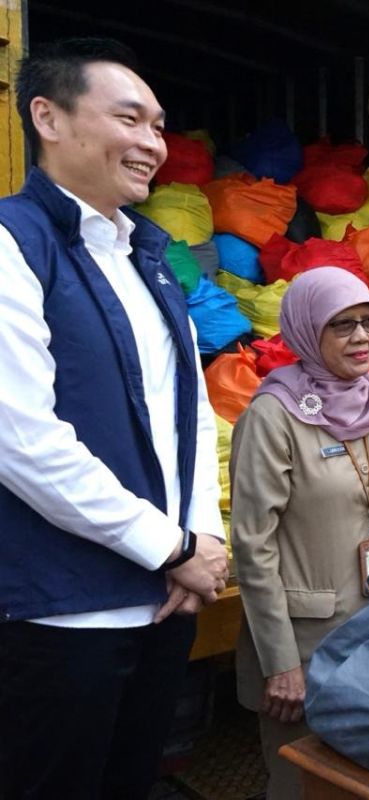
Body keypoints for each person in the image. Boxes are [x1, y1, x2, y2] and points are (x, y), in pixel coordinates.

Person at [0, 38, 228, 798]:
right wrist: (171, 547)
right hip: (63, 617)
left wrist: (204, 541)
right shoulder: (13, 243)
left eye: (159, 126)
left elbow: (188, 415)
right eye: (130, 119)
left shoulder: (149, 257)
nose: (153, 144)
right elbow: (23, 441)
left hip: (164, 604)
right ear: (48, 118)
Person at [230, 267, 369, 800]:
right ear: (305, 332)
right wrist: (281, 663)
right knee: (303, 786)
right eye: (342, 326)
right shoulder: (273, 416)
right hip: (309, 644)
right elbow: (253, 546)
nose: (362, 337)